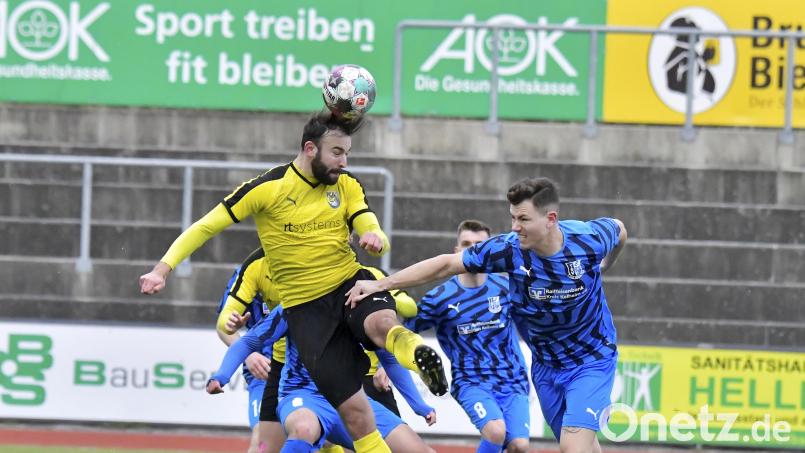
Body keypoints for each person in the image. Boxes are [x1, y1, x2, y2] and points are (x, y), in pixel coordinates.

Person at [139, 111, 447, 453]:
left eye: (347, 153)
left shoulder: (347, 185)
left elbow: (370, 225)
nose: (344, 162)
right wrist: (162, 269)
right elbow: (205, 226)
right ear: (310, 148)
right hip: (307, 313)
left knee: (381, 322)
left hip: (350, 285)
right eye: (337, 153)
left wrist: (374, 237)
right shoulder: (266, 189)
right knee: (357, 419)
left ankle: (419, 352)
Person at [346, 177, 628, 453]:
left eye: (524, 219)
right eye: (513, 218)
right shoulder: (508, 249)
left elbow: (620, 230)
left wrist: (604, 265)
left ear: (551, 219)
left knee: (571, 446)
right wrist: (381, 283)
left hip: (591, 360)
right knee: (583, 445)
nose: (515, 227)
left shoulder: (588, 239)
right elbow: (446, 265)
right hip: (546, 367)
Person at [207, 305, 436, 453]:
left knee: (418, 450)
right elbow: (249, 342)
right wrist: (222, 375)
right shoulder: (295, 305)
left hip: (351, 398)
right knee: (303, 428)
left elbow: (389, 357)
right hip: (303, 395)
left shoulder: (361, 306)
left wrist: (419, 405)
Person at [403, 220, 530, 453]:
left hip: (513, 381)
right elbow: (403, 331)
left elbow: (533, 323)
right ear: (456, 251)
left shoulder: (507, 287)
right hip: (471, 382)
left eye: (479, 244)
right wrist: (382, 362)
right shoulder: (439, 298)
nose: (472, 249)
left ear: (490, 251)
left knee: (519, 446)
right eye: (466, 244)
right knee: (495, 431)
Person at [215, 248, 286, 453]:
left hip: (303, 367)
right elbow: (223, 327)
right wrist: (249, 355)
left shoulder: (313, 268)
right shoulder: (250, 271)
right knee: (261, 441)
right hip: (264, 372)